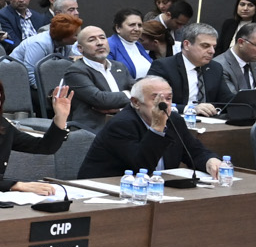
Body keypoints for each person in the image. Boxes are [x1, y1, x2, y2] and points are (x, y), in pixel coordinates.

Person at [83, 76, 227, 180]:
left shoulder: (174, 120)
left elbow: (195, 151)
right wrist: (157, 128)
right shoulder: (121, 124)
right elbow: (142, 167)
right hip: (108, 189)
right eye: (156, 99)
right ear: (136, 102)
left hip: (156, 188)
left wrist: (210, 161)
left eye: (168, 98)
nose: (164, 104)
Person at [148, 23, 231, 119]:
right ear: (187, 45)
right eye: (205, 46)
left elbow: (226, 99)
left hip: (209, 122)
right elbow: (153, 101)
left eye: (214, 47)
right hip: (175, 120)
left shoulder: (215, 67)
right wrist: (190, 109)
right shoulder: (163, 66)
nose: (212, 51)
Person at [63, 26, 136, 133]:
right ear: (80, 48)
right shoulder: (75, 71)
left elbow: (140, 93)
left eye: (102, 38)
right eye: (92, 40)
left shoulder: (119, 66)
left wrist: (119, 108)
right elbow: (101, 100)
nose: (100, 43)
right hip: (94, 129)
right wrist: (129, 94)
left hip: (125, 122)